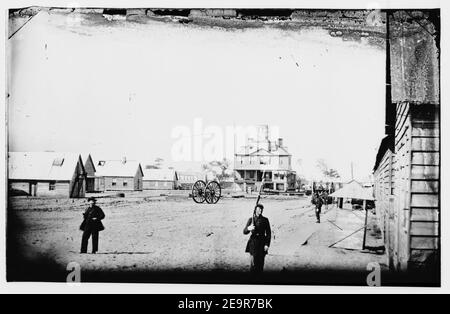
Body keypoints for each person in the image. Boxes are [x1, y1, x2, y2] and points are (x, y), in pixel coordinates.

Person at [243, 204, 271, 273]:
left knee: (260, 264)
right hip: (253, 244)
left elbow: (268, 233)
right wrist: (249, 228)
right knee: (253, 265)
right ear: (255, 210)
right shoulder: (251, 219)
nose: (260, 211)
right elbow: (244, 231)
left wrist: (267, 244)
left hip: (262, 243)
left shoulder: (265, 220)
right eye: (258, 209)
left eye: (261, 209)